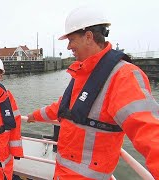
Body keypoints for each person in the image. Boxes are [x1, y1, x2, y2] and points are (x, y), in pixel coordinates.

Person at [27, 6, 159, 179]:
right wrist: (34, 116)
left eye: (71, 40)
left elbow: (149, 131)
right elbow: (63, 107)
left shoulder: (123, 76)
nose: (68, 46)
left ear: (88, 37)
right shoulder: (84, 74)